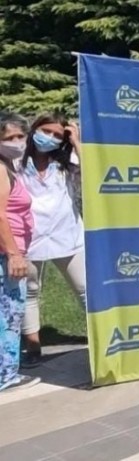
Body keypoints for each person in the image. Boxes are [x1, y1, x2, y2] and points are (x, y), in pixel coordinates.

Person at [17, 114, 86, 368]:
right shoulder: (16, 161)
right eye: (47, 131)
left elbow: (93, 174)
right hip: (28, 237)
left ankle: (101, 340)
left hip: (66, 234)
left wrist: (76, 140)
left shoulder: (66, 162)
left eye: (58, 135)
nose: (51, 138)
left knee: (86, 289)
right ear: (35, 130)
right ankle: (33, 346)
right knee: (30, 292)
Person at [0, 113, 37, 391]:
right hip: (6, 255)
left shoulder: (9, 166)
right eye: (8, 138)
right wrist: (14, 253)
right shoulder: (1, 169)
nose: (16, 142)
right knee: (9, 315)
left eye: (19, 136)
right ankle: (6, 375)